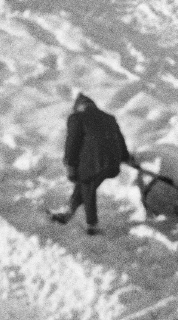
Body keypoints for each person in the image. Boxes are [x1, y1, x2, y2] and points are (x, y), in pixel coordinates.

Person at [51, 92, 128, 235]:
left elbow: (72, 143)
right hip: (112, 162)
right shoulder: (109, 118)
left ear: (78, 107)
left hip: (96, 161)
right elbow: (120, 140)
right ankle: (69, 212)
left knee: (86, 185)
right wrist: (125, 157)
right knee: (84, 183)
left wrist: (70, 165)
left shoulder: (77, 117)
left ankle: (92, 225)